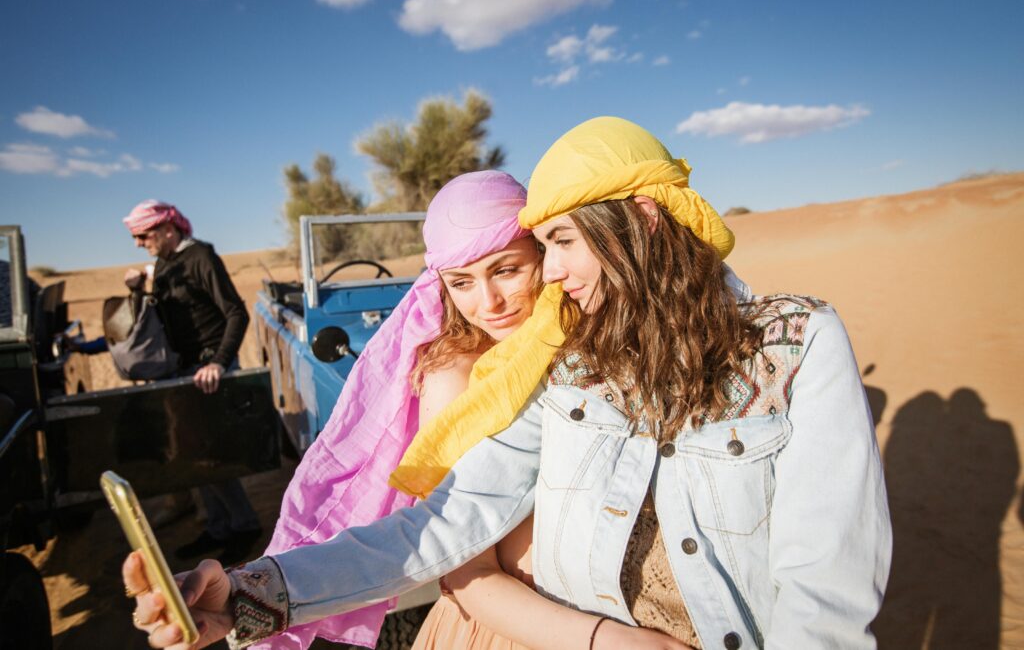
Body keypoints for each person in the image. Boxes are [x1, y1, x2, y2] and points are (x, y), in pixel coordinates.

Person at [125, 118, 891, 649]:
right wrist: (253, 594)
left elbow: (824, 601)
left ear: (647, 221)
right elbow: (439, 524)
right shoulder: (572, 367)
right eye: (544, 244)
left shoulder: (793, 348)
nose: (549, 271)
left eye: (560, 241)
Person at [251, 170, 681, 650]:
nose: (489, 303)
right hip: (520, 632)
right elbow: (461, 566)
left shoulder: (584, 340)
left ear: (543, 252)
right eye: (462, 282)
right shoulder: (458, 378)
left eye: (506, 270)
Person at [122, 200, 262, 565]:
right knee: (192, 454)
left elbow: (236, 312)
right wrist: (137, 290)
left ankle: (244, 526)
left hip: (209, 370)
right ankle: (217, 527)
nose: (138, 242)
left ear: (168, 229)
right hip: (183, 372)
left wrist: (218, 361)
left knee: (210, 454)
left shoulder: (201, 257)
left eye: (143, 234)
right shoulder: (164, 265)